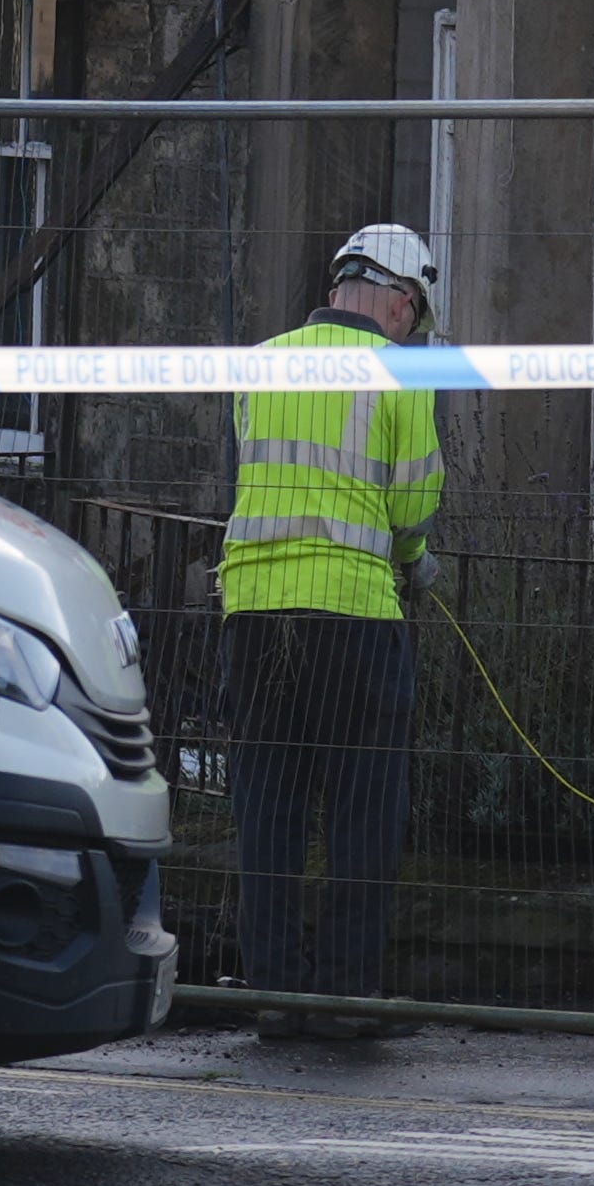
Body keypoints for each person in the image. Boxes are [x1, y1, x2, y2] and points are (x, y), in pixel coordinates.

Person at [220, 220, 446, 1024]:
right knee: (362, 810)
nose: (409, 329)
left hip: (250, 609)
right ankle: (348, 996)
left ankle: (276, 992)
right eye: (413, 314)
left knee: (268, 809)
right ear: (396, 298)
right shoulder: (400, 377)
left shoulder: (259, 365)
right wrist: (416, 558)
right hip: (351, 613)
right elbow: (413, 503)